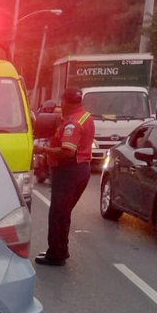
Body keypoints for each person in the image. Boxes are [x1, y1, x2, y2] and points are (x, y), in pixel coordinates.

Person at [35, 87, 95, 267]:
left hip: (69, 171)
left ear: (65, 102)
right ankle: (59, 250)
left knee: (58, 214)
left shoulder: (73, 124)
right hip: (80, 170)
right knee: (62, 213)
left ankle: (56, 254)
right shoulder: (85, 116)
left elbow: (67, 151)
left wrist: (42, 150)